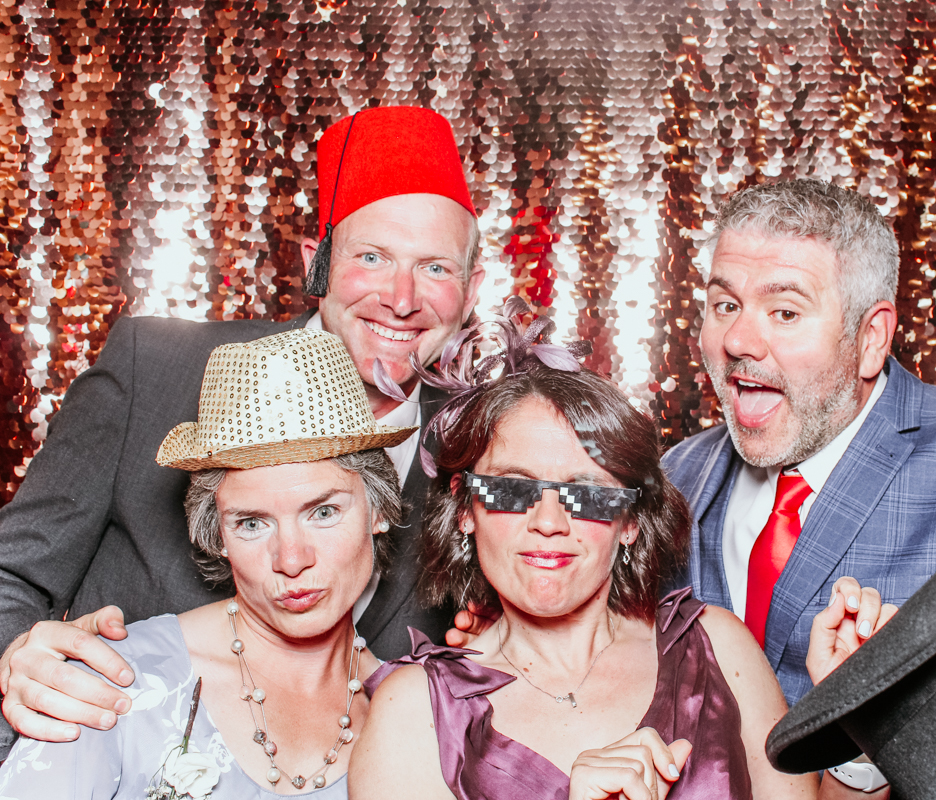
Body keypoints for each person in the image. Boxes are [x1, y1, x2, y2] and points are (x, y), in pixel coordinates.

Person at [0, 105, 485, 756]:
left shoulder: (485, 451)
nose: (401, 298)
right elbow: (11, 573)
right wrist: (15, 663)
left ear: (473, 290)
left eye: (435, 268)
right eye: (372, 257)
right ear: (318, 263)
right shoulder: (157, 370)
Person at [662, 179, 936, 794]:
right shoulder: (675, 477)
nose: (739, 342)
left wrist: (880, 720)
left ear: (871, 338)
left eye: (785, 312)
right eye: (724, 305)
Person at [348, 311, 838, 800]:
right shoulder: (412, 713)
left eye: (585, 496)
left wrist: (862, 722)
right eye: (513, 490)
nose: (548, 522)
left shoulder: (718, 649)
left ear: (629, 521)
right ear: (466, 509)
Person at [0, 328, 414, 797]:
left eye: (323, 512)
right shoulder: (115, 681)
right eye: (252, 524)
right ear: (216, 534)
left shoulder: (419, 712)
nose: (292, 560)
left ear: (379, 510)